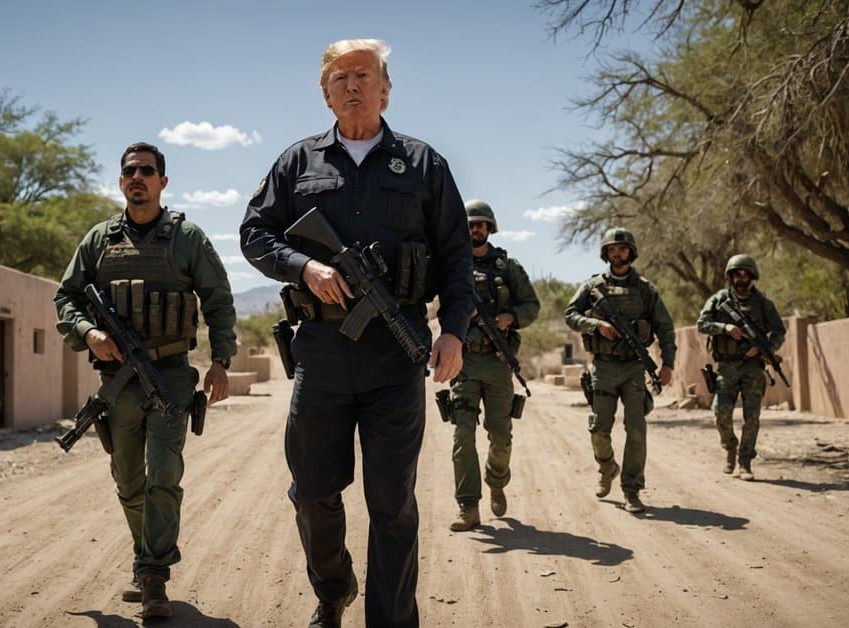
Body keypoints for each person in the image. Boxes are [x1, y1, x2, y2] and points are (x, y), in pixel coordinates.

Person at [239, 38, 471, 628]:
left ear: (386, 88)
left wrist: (455, 331)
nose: (352, 85)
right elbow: (255, 234)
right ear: (325, 93)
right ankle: (333, 587)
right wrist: (304, 268)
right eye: (340, 77)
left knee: (393, 506)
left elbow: (456, 258)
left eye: (364, 75)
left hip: (397, 357)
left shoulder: (424, 165)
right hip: (320, 353)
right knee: (313, 493)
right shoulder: (298, 163)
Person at [54, 142, 236, 619]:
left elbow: (218, 299)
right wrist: (89, 332)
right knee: (128, 481)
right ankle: (144, 556)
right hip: (117, 380)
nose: (138, 177)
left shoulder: (187, 238)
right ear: (120, 181)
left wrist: (221, 361)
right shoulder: (98, 240)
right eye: (130, 171)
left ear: (162, 181)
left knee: (164, 474)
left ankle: (154, 574)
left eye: (147, 171)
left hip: (171, 376)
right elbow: (66, 298)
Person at [563, 227, 675, 514]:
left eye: (622, 248)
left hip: (634, 367)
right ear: (606, 253)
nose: (617, 253)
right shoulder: (591, 287)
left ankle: (632, 490)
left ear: (631, 252)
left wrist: (668, 364)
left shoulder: (645, 289)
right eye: (612, 249)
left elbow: (664, 327)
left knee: (636, 429)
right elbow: (571, 314)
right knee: (600, 430)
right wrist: (597, 325)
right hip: (602, 366)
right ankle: (607, 467)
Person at [446, 199, 540, 532]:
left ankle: (496, 480)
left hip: (499, 364)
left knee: (500, 437)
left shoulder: (507, 265)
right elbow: (432, 308)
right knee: (463, 436)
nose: (476, 229)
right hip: (465, 363)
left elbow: (532, 305)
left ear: (490, 228)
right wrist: (460, 314)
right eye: (471, 224)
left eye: (481, 224)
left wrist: (511, 317)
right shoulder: (451, 264)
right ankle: (468, 507)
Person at [696, 254, 786, 481]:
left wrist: (764, 349)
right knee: (720, 412)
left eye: (746, 273)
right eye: (737, 273)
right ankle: (730, 448)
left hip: (753, 368)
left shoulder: (764, 304)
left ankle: (745, 462)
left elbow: (778, 331)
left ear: (752, 276)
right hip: (726, 366)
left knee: (752, 417)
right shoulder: (718, 300)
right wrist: (725, 328)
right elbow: (702, 324)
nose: (741, 277)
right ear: (731, 276)